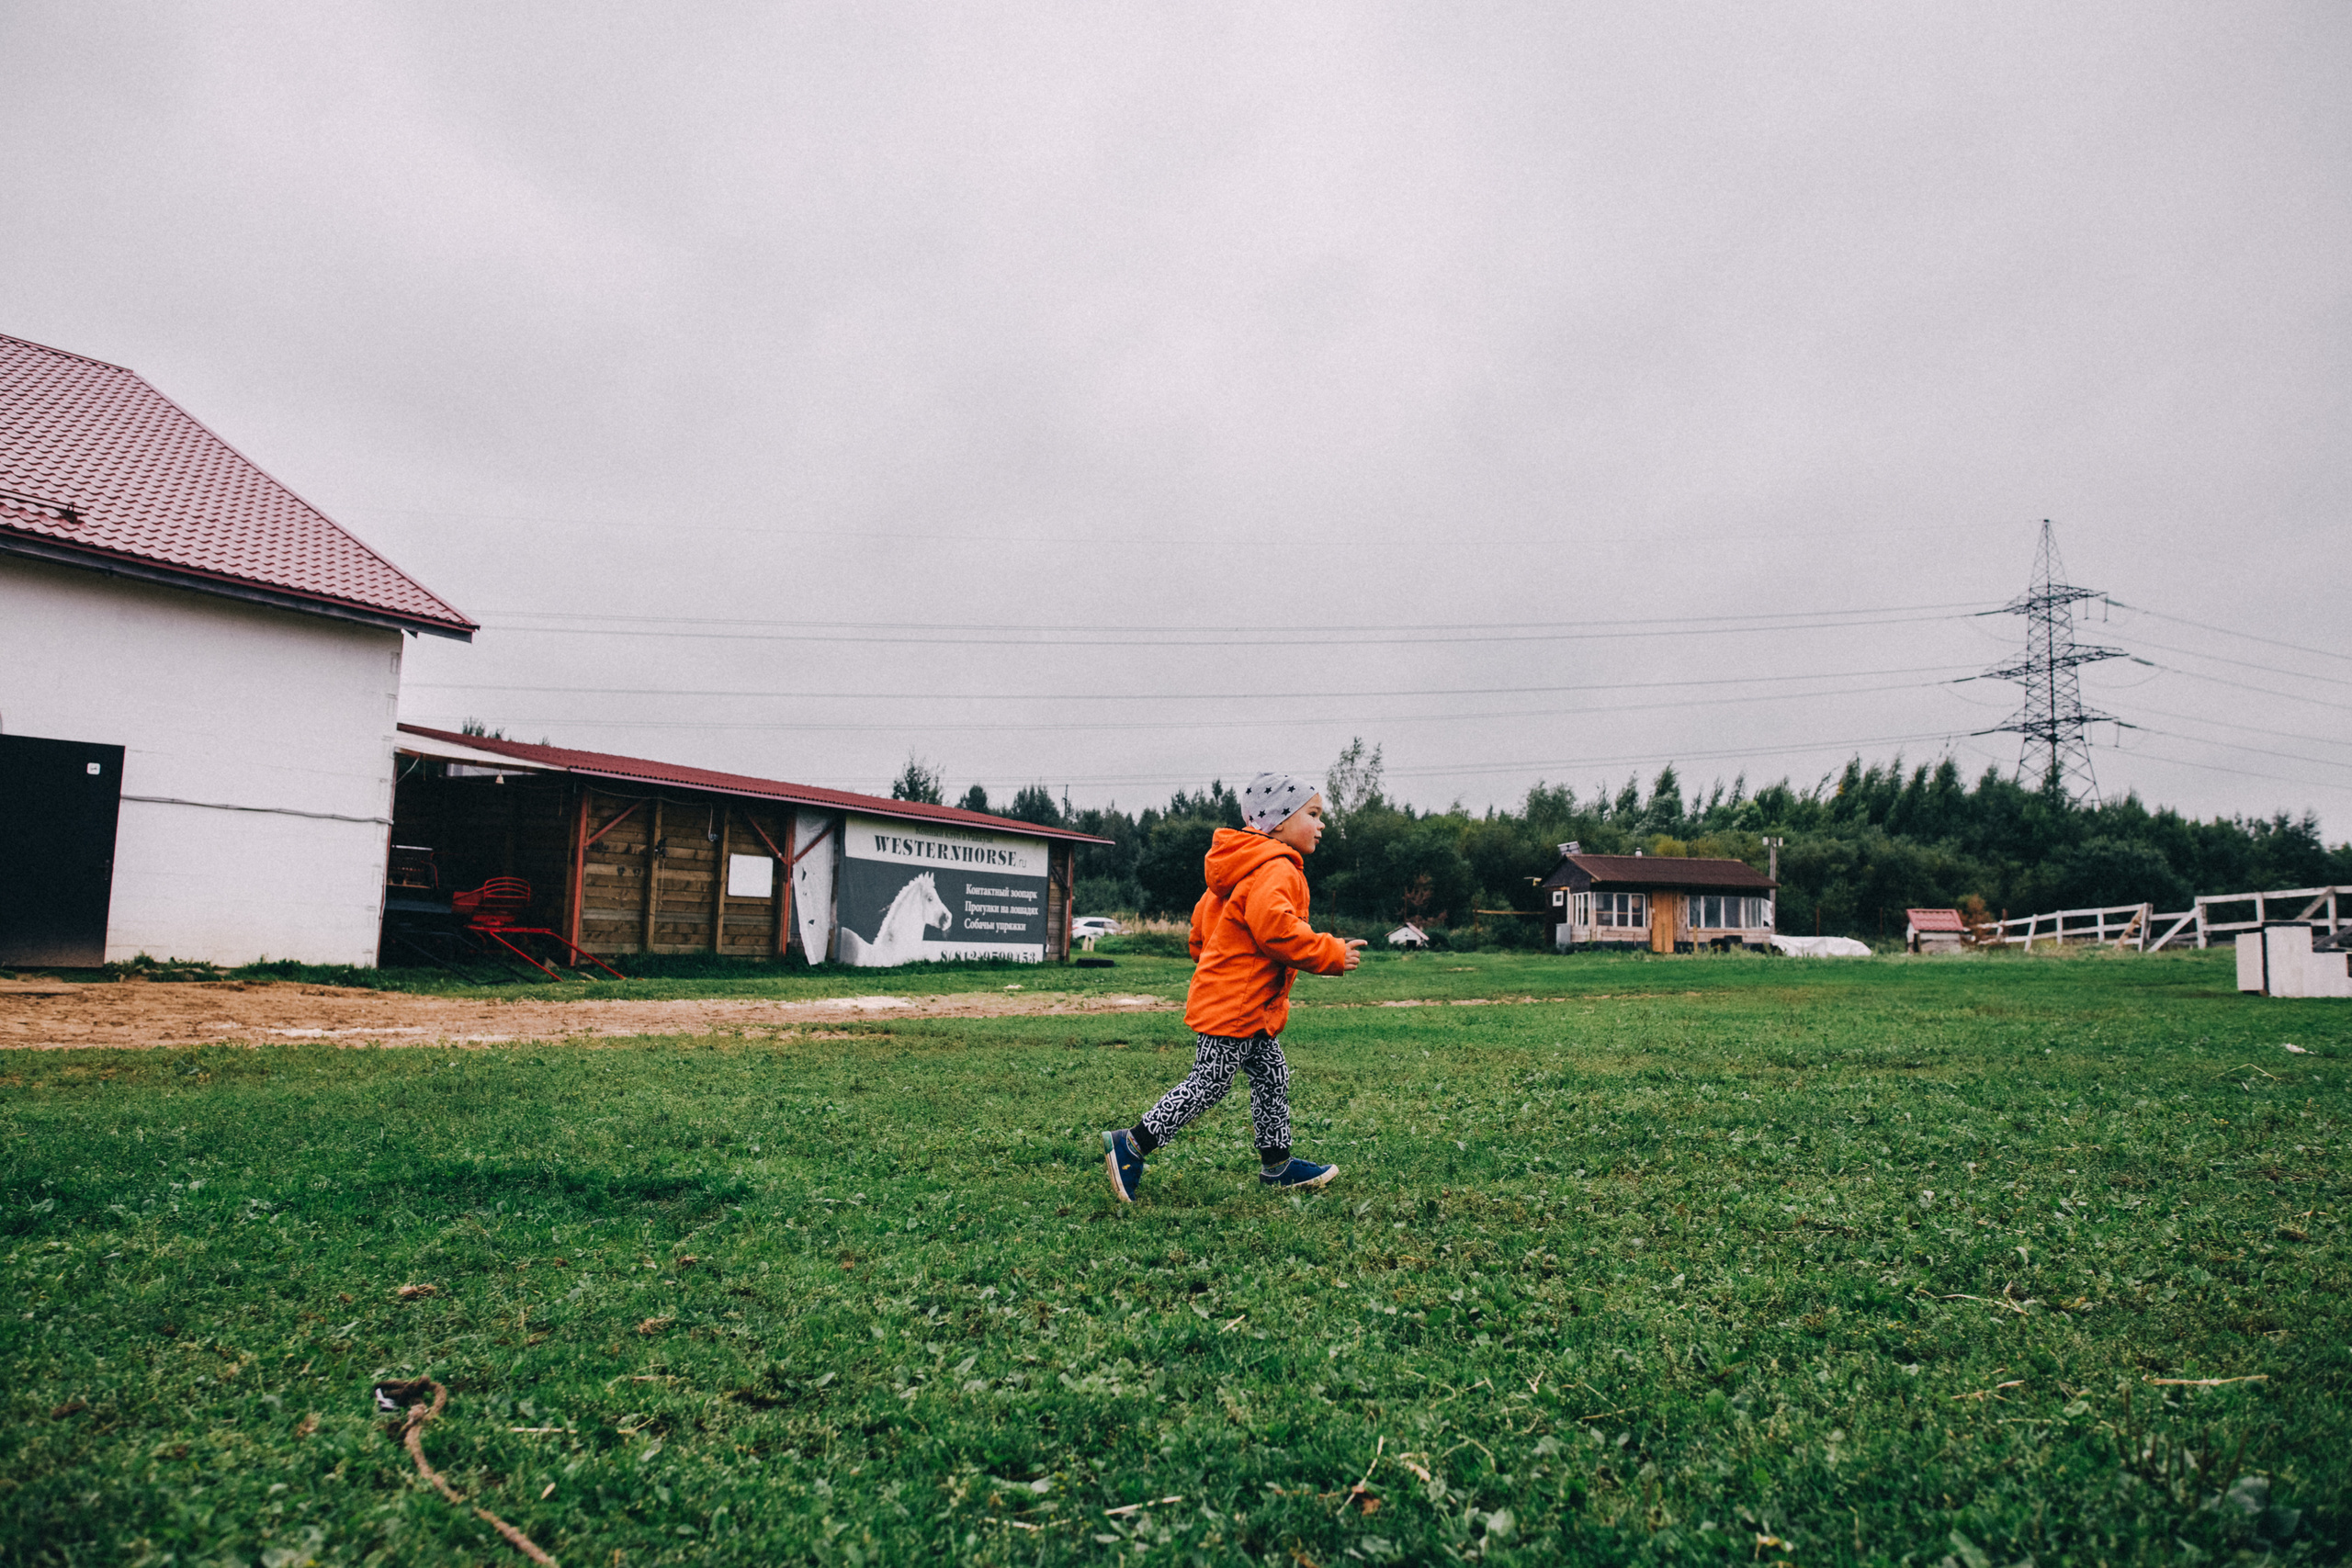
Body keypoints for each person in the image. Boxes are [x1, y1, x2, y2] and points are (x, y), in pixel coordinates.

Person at [1102, 771, 1366, 1201]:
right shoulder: (1276, 868)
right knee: (1209, 1083)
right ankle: (1131, 1144)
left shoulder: (1240, 864)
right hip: (1236, 1005)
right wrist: (1331, 952)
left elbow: (1202, 928)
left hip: (1245, 1003)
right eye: (1314, 814)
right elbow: (1276, 930)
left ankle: (1277, 1165)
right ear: (1280, 821)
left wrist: (1214, 959)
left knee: (1271, 1074)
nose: (1322, 825)